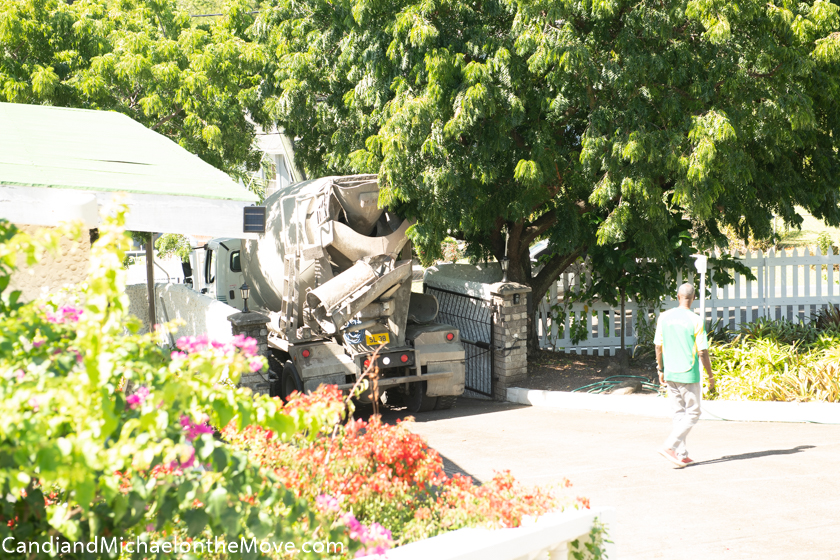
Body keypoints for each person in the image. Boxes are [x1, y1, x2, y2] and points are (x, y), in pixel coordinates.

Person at [654, 283, 714, 468]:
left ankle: (681, 454)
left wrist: (660, 369)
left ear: (677, 296)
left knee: (679, 413)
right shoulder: (695, 320)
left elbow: (658, 346)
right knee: (694, 412)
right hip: (688, 373)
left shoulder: (664, 318)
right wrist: (710, 376)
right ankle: (669, 447)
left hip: (671, 372)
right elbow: (703, 352)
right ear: (693, 298)